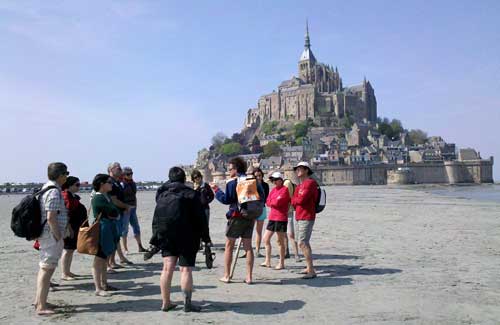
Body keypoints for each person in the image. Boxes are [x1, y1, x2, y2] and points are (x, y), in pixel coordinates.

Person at [152, 167, 211, 312]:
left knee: (167, 268)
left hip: (166, 235)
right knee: (185, 270)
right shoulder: (191, 194)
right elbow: (200, 218)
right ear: (184, 179)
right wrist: (205, 238)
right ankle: (187, 303)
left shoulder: (162, 194)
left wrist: (155, 238)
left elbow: (156, 218)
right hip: (188, 236)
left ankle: (166, 302)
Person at [211, 157, 264, 284]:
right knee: (248, 247)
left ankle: (227, 275)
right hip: (250, 216)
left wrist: (216, 190)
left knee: (229, 246)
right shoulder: (253, 180)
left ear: (236, 169)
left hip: (236, 216)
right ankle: (249, 277)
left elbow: (226, 200)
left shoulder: (232, 182)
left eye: (230, 169)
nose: (229, 172)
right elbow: (262, 196)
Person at [34, 162, 69, 315]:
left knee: (45, 268)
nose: (66, 177)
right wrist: (58, 236)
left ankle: (39, 301)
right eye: (66, 174)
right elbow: (51, 217)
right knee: (47, 269)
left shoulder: (46, 187)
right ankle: (41, 306)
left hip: (46, 235)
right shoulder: (54, 191)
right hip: (50, 236)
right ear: (61, 175)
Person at [90, 174, 122, 296]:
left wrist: (113, 212)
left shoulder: (106, 196)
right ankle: (98, 288)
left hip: (108, 227)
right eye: (109, 182)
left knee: (104, 258)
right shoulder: (99, 198)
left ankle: (104, 284)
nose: (111, 184)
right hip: (102, 229)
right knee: (99, 258)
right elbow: (113, 211)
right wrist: (113, 212)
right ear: (102, 184)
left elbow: (114, 211)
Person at [291, 162, 319, 279]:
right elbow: (294, 201)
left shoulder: (310, 183)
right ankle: (309, 267)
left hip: (307, 216)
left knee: (302, 242)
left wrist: (296, 199)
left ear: (306, 170)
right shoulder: (299, 186)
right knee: (302, 242)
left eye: (299, 169)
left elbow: (301, 200)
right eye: (296, 169)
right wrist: (296, 199)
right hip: (299, 216)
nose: (297, 171)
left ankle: (311, 271)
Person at [261, 172, 291, 270]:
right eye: (273, 180)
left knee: (280, 241)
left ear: (281, 180)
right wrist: (273, 201)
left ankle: (281, 262)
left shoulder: (285, 190)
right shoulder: (273, 190)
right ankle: (267, 260)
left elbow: (278, 202)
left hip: (281, 218)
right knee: (265, 238)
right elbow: (268, 201)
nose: (274, 182)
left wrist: (273, 202)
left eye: (275, 180)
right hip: (272, 217)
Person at [107, 162, 133, 269]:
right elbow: (114, 200)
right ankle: (110, 263)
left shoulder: (117, 182)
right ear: (111, 170)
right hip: (113, 214)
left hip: (119, 213)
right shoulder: (110, 182)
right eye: (118, 168)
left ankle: (113, 261)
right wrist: (126, 206)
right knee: (113, 238)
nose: (120, 170)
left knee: (116, 237)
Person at [60, 176, 87, 281]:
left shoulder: (72, 196)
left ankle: (68, 271)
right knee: (67, 250)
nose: (78, 187)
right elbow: (66, 214)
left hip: (75, 227)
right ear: (69, 186)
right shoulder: (66, 196)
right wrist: (69, 228)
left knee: (70, 250)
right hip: (70, 228)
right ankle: (64, 273)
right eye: (77, 184)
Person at [120, 167, 147, 253]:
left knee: (136, 227)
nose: (130, 175)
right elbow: (120, 198)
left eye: (131, 173)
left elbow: (134, 195)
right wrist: (124, 208)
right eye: (128, 174)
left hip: (133, 208)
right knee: (125, 229)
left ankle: (140, 246)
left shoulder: (133, 184)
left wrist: (135, 206)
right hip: (125, 209)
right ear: (124, 175)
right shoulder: (121, 184)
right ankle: (125, 249)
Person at [191, 169, 214, 248]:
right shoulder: (192, 187)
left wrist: (206, 201)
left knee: (205, 225)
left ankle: (207, 241)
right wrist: (195, 189)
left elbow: (212, 196)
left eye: (198, 177)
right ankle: (199, 242)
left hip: (205, 208)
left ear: (201, 177)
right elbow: (190, 197)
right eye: (195, 178)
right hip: (195, 209)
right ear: (193, 179)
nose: (197, 179)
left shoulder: (205, 185)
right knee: (196, 225)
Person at [252, 168, 269, 258]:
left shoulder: (265, 185)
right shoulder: (251, 185)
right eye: (256, 176)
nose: (258, 177)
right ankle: (248, 249)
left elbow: (265, 198)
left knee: (259, 231)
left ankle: (257, 250)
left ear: (262, 176)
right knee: (248, 231)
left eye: (260, 175)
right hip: (252, 210)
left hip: (261, 209)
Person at [284, 177, 300, 262]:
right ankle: (287, 252)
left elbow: (287, 197)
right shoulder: (287, 183)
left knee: (290, 234)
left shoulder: (286, 184)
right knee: (285, 234)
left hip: (286, 211)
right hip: (287, 210)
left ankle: (296, 254)